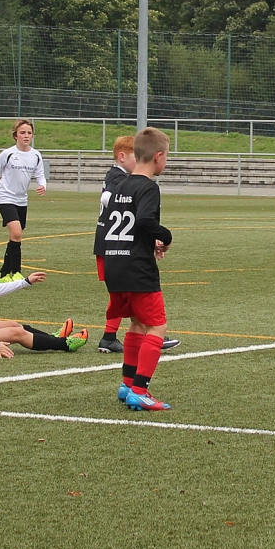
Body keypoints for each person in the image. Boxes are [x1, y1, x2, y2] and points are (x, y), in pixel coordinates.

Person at [101, 127, 174, 411]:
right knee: (157, 325)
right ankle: (140, 390)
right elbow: (144, 220)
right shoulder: (148, 187)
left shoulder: (120, 185)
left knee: (137, 323)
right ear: (158, 157)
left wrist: (148, 240)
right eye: (167, 156)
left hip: (115, 263)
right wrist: (165, 236)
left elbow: (122, 224)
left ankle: (127, 384)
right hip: (137, 267)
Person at [93, 136, 181, 355]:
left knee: (131, 309)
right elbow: (119, 206)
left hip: (115, 244)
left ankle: (115, 339)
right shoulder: (122, 180)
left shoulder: (123, 180)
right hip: (122, 247)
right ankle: (138, 340)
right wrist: (164, 235)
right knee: (146, 315)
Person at [0, 119, 47, 283]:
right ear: (15, 135)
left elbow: (41, 175)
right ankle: (16, 272)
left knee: (15, 237)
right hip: (5, 197)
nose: (26, 135)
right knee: (17, 233)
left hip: (22, 200)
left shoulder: (36, 155)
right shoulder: (8, 154)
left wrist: (42, 185)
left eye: (29, 133)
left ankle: (4, 274)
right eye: (22, 132)